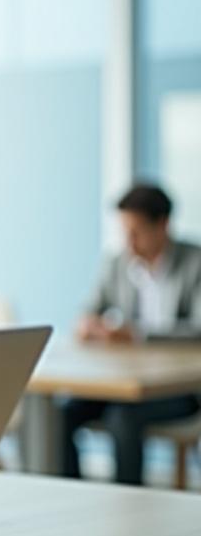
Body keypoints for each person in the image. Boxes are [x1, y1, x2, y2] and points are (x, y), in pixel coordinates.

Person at [60, 182, 201, 484]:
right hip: (124, 383)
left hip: (178, 389)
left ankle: (126, 504)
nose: (129, 242)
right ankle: (69, 492)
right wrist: (88, 324)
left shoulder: (195, 263)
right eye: (124, 232)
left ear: (163, 225)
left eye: (136, 232)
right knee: (61, 414)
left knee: (122, 417)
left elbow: (197, 330)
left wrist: (137, 335)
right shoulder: (118, 264)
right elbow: (90, 309)